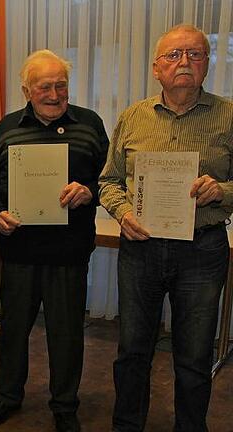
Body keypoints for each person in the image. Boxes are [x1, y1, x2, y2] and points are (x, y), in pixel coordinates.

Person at [99, 24, 233, 432]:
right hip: (142, 249)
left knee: (193, 356)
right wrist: (123, 214)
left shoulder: (229, 116)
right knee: (132, 351)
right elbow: (108, 181)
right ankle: (127, 426)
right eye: (174, 55)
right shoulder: (132, 117)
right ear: (157, 68)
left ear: (207, 64)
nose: (184, 63)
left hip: (202, 250)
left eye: (195, 54)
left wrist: (222, 190)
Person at [0, 50, 109, 432]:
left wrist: (89, 191)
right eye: (44, 86)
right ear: (27, 90)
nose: (54, 93)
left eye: (61, 85)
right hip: (19, 251)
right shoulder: (7, 127)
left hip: (69, 253)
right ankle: (7, 396)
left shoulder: (90, 124)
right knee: (13, 330)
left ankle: (65, 405)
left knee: (67, 335)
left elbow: (112, 180)